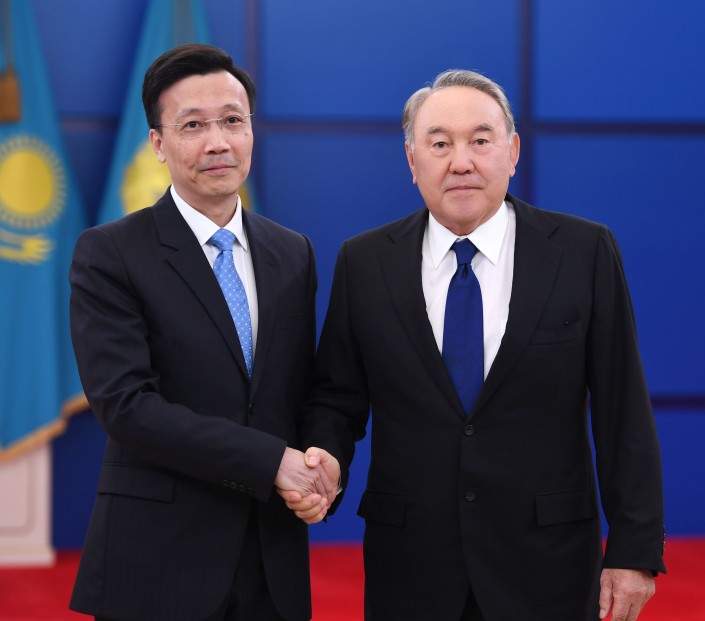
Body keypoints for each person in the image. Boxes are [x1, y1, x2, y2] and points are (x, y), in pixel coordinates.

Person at [284, 70, 666, 620]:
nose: (460, 162)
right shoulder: (365, 262)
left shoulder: (583, 252)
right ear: (412, 161)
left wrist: (634, 549)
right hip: (411, 568)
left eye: (480, 141)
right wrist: (325, 456)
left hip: (548, 566)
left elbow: (622, 409)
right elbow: (337, 398)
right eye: (439, 144)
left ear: (512, 152)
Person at [68, 43, 339, 621]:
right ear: (158, 144)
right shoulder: (111, 253)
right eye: (193, 125)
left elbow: (305, 390)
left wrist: (323, 462)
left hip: (271, 560)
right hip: (158, 559)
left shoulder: (292, 253)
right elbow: (126, 405)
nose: (218, 142)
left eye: (233, 121)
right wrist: (271, 461)